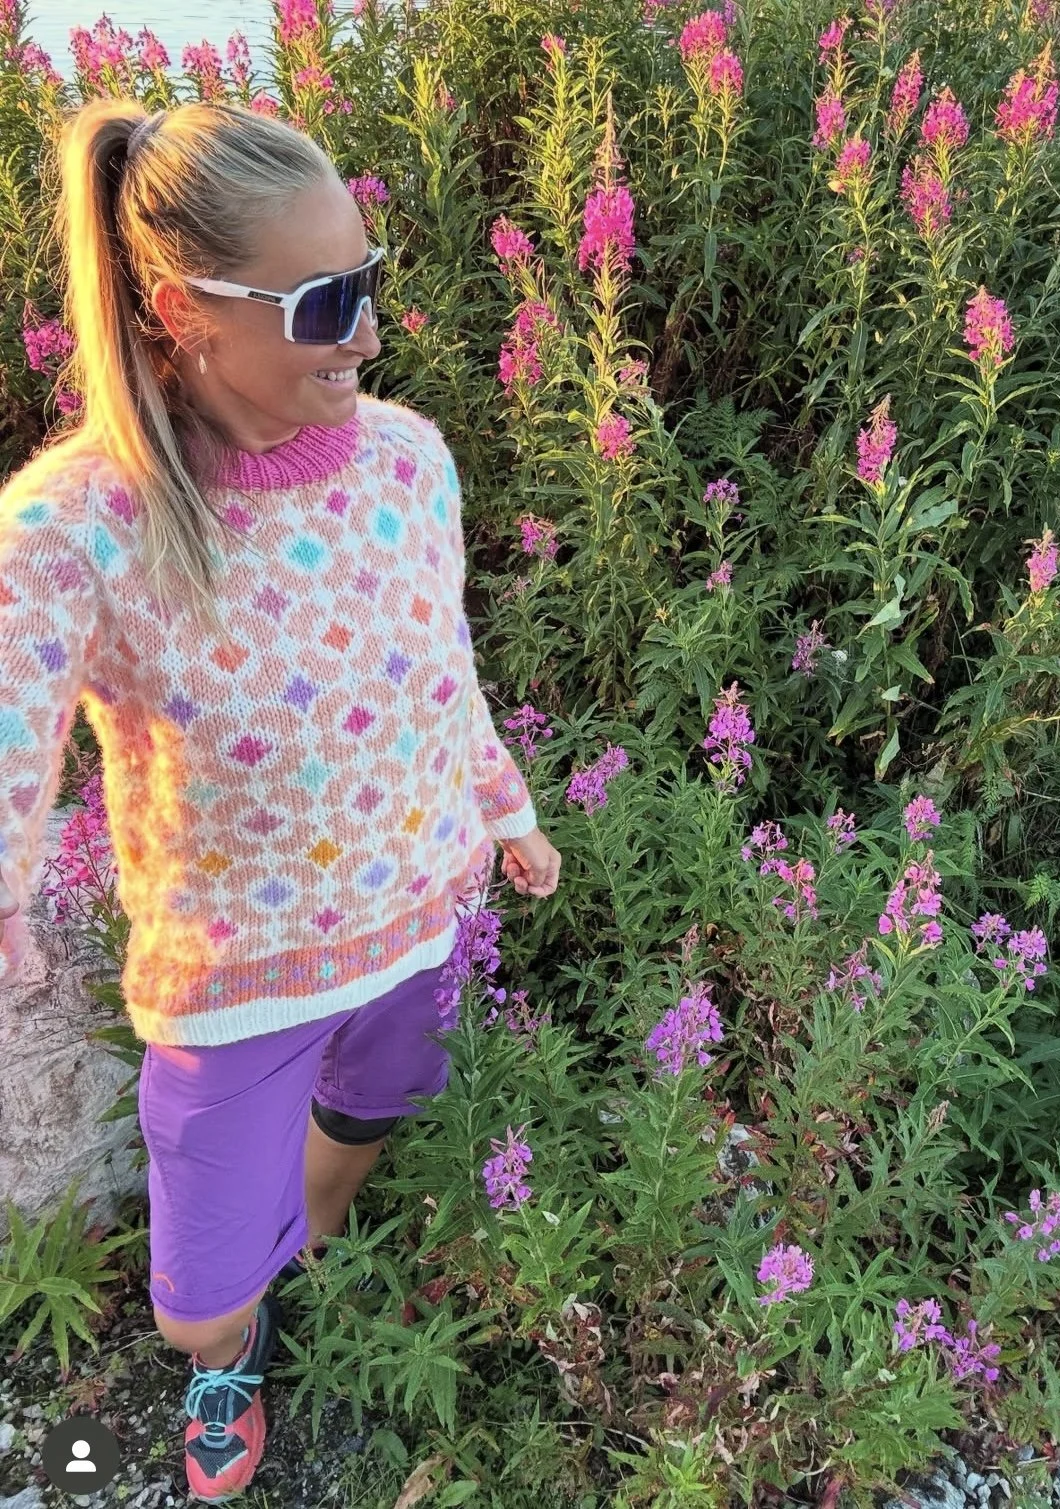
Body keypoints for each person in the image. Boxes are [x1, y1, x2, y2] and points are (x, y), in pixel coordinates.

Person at [0, 98, 561, 1504]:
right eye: (322, 303)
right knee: (197, 1307)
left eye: (367, 282)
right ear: (183, 312)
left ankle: (302, 1247)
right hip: (234, 985)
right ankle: (229, 1350)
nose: (366, 335)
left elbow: (444, 666)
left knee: (374, 1107)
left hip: (417, 918)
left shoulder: (410, 459)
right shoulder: (81, 526)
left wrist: (503, 809)